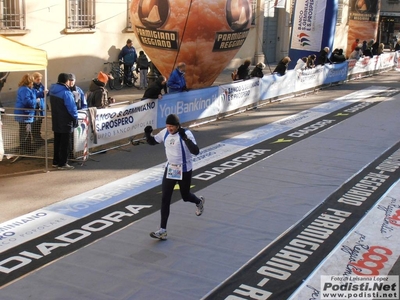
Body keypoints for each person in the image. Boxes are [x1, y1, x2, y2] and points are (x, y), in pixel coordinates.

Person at [144, 114, 205, 240]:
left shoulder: (186, 133)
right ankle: (163, 230)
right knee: (165, 198)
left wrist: (185, 138)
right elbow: (152, 141)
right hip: (171, 169)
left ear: (178, 126)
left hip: (184, 169)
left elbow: (196, 151)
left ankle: (199, 202)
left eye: (172, 126)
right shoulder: (165, 132)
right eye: (167, 126)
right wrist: (147, 134)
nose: (169, 129)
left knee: (185, 196)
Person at [49, 73, 78, 170]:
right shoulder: (66, 92)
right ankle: (63, 163)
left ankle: (56, 161)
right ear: (66, 81)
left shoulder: (53, 90)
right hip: (66, 120)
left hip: (56, 120)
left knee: (57, 142)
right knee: (65, 143)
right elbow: (72, 108)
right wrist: (75, 117)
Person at [14, 74, 37, 154]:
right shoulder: (25, 90)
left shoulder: (25, 89)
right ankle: (24, 149)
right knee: (25, 132)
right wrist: (35, 101)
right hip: (25, 115)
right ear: (29, 81)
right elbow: (27, 102)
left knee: (26, 131)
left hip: (25, 114)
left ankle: (27, 148)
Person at [31, 72, 47, 147]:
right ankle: (35, 137)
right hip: (35, 108)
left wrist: (46, 92)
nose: (39, 81)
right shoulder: (31, 86)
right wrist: (42, 93)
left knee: (39, 122)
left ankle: (38, 136)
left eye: (40, 79)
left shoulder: (41, 86)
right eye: (38, 79)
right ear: (34, 79)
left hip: (40, 106)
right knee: (34, 123)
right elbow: (34, 95)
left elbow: (45, 93)